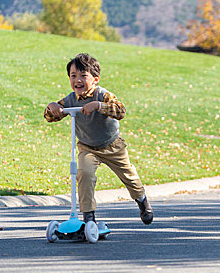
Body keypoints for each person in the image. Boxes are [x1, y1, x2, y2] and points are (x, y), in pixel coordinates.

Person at [44, 53, 153, 226]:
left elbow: (121, 111)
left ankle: (142, 200)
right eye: (73, 76)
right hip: (87, 147)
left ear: (95, 79)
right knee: (84, 174)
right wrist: (52, 107)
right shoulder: (70, 99)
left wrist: (98, 106)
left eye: (83, 76)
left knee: (130, 177)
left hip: (112, 145)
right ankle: (89, 217)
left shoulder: (103, 95)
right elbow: (51, 116)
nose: (77, 80)